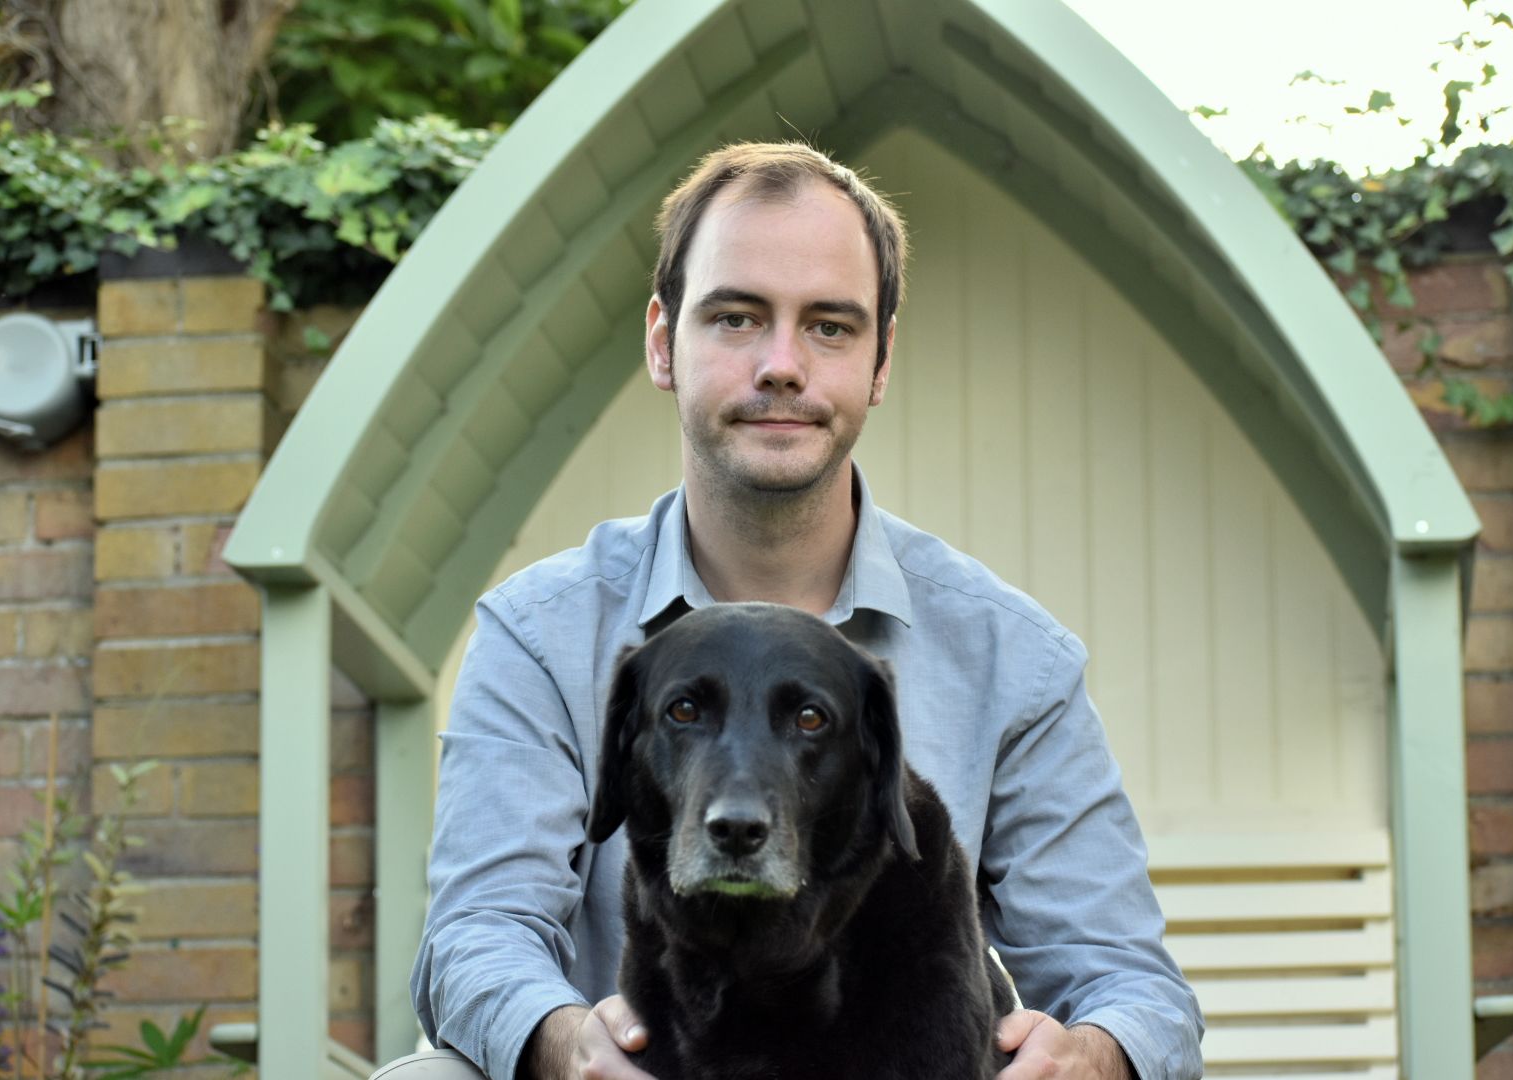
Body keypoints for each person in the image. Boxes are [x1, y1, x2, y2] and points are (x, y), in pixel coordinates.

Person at [389, 142, 1204, 1080]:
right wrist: (567, 1045)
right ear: (663, 340)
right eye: (737, 318)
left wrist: (1091, 1057)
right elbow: (474, 936)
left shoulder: (1009, 657)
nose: (782, 365)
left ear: (880, 359)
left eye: (829, 326)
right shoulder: (541, 635)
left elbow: (1132, 985)